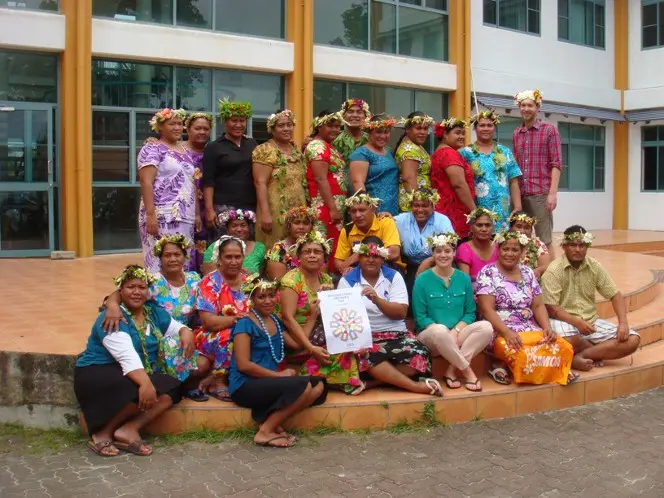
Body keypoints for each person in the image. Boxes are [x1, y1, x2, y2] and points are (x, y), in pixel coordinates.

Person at [74, 265, 184, 457]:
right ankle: (102, 432)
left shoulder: (152, 311)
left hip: (130, 370)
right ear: (120, 291)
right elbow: (126, 356)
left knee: (173, 388)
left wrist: (186, 332)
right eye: (130, 287)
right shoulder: (112, 317)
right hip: (97, 371)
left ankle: (129, 429)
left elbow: (175, 326)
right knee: (139, 388)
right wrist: (145, 383)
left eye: (141, 287)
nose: (136, 292)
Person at [101, 235, 210, 400]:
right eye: (167, 255)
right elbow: (121, 292)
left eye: (177, 254)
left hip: (184, 334)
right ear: (160, 258)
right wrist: (113, 306)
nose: (172, 259)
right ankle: (174, 388)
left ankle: (179, 385)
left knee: (204, 363)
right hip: (157, 335)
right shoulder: (153, 281)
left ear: (185, 256)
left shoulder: (194, 279)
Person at [229, 276, 327, 448]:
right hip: (245, 385)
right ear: (251, 300)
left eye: (271, 296)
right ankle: (265, 431)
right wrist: (278, 375)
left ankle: (269, 418)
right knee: (303, 386)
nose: (268, 301)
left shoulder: (274, 321)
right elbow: (243, 365)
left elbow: (297, 345)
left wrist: (312, 317)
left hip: (269, 382)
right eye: (261, 297)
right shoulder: (244, 324)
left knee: (318, 385)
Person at [338, 237, 443, 397]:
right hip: (364, 336)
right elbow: (344, 319)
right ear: (359, 257)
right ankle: (415, 387)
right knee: (365, 354)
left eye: (376, 255)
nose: (371, 259)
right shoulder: (347, 281)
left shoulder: (394, 276)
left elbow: (401, 313)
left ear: (383, 258)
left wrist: (377, 300)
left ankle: (372, 382)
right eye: (367, 255)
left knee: (419, 354)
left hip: (395, 333)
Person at [476, 231, 575, 386]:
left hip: (528, 326)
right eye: (505, 249)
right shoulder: (488, 273)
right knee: (521, 350)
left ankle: (552, 371)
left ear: (522, 252)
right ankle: (549, 372)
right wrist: (506, 332)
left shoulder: (527, 272)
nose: (509, 253)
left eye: (515, 250)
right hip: (499, 329)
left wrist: (547, 327)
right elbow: (487, 309)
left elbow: (537, 305)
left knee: (559, 344)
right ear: (498, 249)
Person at [542, 225, 640, 369]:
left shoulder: (594, 266)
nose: (577, 249)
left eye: (582, 245)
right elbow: (552, 308)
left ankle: (582, 356)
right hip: (564, 320)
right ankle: (597, 351)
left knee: (632, 340)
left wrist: (623, 323)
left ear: (587, 247)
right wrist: (577, 322)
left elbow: (615, 295)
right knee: (566, 341)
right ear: (564, 246)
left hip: (591, 321)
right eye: (572, 245)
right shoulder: (554, 270)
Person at [279, 230, 364, 394]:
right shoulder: (291, 281)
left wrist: (330, 296)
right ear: (299, 257)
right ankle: (337, 379)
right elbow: (288, 318)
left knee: (350, 335)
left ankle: (329, 377)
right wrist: (311, 348)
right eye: (307, 252)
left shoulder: (325, 279)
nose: (312, 256)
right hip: (296, 336)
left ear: (324, 258)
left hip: (319, 329)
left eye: (317, 252)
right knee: (341, 343)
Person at [412, 232, 493, 392]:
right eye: (438, 251)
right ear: (433, 253)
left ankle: (452, 370)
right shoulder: (422, 280)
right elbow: (420, 318)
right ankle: (467, 371)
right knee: (440, 331)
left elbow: (470, 312)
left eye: (447, 251)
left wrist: (455, 332)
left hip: (457, 335)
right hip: (431, 337)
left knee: (486, 327)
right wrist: (446, 333)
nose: (443, 255)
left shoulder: (463, 278)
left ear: (454, 253)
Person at [137, 108, 198, 272]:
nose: (177, 128)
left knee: (182, 261)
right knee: (159, 261)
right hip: (161, 216)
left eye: (180, 124)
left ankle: (179, 297)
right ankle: (158, 296)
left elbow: (191, 182)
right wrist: (151, 215)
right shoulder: (152, 148)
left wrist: (197, 214)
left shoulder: (185, 151)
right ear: (160, 127)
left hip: (185, 216)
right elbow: (146, 181)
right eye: (172, 124)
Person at [194, 236, 250, 400]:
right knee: (229, 335)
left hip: (246, 330)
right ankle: (218, 381)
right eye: (228, 257)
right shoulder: (209, 283)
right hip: (212, 335)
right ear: (219, 259)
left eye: (237, 257)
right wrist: (235, 320)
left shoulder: (250, 282)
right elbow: (208, 322)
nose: (234, 262)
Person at [513, 89, 562, 254]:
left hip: (540, 194)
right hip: (520, 195)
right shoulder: (516, 133)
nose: (526, 109)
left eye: (530, 105)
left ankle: (550, 277)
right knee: (520, 238)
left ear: (537, 107)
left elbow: (556, 163)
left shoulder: (549, 130)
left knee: (544, 240)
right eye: (523, 105)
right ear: (519, 107)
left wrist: (552, 194)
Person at [252, 109, 308, 248]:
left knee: (298, 246)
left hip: (297, 209)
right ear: (272, 129)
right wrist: (265, 213)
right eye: (281, 125)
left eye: (289, 125)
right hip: (274, 209)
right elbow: (260, 183)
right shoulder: (265, 150)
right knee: (275, 247)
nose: (286, 128)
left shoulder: (296, 150)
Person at [202, 99, 257, 241]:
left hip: (249, 205)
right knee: (225, 246)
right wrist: (209, 210)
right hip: (224, 206)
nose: (238, 125)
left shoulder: (251, 143)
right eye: (234, 120)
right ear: (225, 122)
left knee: (248, 245)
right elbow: (208, 181)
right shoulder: (214, 147)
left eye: (242, 120)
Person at [460, 110, 522, 231]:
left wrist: (518, 206)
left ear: (494, 128)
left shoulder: (505, 151)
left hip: (502, 209)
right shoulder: (465, 153)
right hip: (476, 208)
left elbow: (514, 181)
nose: (486, 128)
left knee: (501, 244)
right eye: (482, 125)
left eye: (490, 125)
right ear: (475, 128)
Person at [305, 109, 347, 263]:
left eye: (338, 126)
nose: (335, 129)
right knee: (324, 245)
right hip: (324, 208)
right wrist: (333, 209)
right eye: (330, 125)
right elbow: (320, 178)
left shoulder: (328, 146)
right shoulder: (317, 147)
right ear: (319, 125)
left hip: (332, 207)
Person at [393, 187, 454, 295]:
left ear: (433, 206)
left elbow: (451, 246)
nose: (420, 210)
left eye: (425, 205)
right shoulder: (401, 220)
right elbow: (385, 224)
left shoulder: (442, 220)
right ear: (411, 206)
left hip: (438, 264)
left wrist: (428, 261)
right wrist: (385, 216)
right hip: (411, 268)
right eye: (416, 205)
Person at [335, 192, 403, 274]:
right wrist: (347, 267)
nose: (357, 215)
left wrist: (360, 254)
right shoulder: (347, 230)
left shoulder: (385, 222)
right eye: (353, 211)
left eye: (362, 210)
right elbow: (338, 261)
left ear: (373, 210)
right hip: (359, 269)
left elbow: (394, 253)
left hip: (389, 268)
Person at [430, 118, 476, 238]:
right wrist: (474, 210)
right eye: (457, 133)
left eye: (463, 133)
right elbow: (459, 184)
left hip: (444, 209)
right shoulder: (449, 154)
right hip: (454, 210)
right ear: (445, 134)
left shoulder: (439, 152)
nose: (461, 136)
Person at [349, 114, 400, 215]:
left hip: (393, 205)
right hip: (375, 208)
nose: (383, 136)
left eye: (386, 132)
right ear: (370, 133)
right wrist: (367, 209)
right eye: (378, 132)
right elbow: (358, 183)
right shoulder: (361, 153)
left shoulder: (388, 151)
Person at [184, 112, 213, 271]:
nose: (202, 132)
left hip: (206, 207)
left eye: (206, 129)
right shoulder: (178, 150)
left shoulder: (212, 152)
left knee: (203, 245)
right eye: (197, 128)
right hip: (184, 207)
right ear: (188, 130)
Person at [201, 209, 265, 276]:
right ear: (227, 230)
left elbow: (260, 277)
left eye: (243, 225)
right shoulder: (215, 248)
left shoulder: (259, 248)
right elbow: (208, 277)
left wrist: (250, 279)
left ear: (249, 228)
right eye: (234, 226)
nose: (239, 229)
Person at [394, 112, 434, 212]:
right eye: (418, 128)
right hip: (413, 204)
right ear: (408, 129)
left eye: (425, 129)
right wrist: (419, 205)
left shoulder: (416, 146)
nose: (423, 132)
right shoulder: (409, 149)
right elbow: (408, 178)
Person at [265, 206, 318, 280]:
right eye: (297, 223)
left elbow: (321, 278)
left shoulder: (318, 246)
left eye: (305, 223)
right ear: (288, 226)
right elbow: (278, 283)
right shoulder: (278, 249)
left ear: (311, 227)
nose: (301, 227)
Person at [455, 207, 499, 290]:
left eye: (488, 225)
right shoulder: (464, 249)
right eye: (479, 225)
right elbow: (465, 283)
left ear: (493, 228)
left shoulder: (499, 247)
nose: (484, 229)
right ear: (471, 227)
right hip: (474, 294)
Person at [509, 211, 550, 279]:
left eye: (527, 228)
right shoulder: (504, 243)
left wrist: (538, 271)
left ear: (531, 230)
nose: (522, 231)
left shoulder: (537, 244)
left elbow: (546, 265)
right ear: (511, 228)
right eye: (518, 227)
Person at [333, 98, 371, 164]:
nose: (355, 115)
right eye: (350, 112)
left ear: (365, 116)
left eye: (359, 112)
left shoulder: (372, 139)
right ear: (343, 116)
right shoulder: (333, 138)